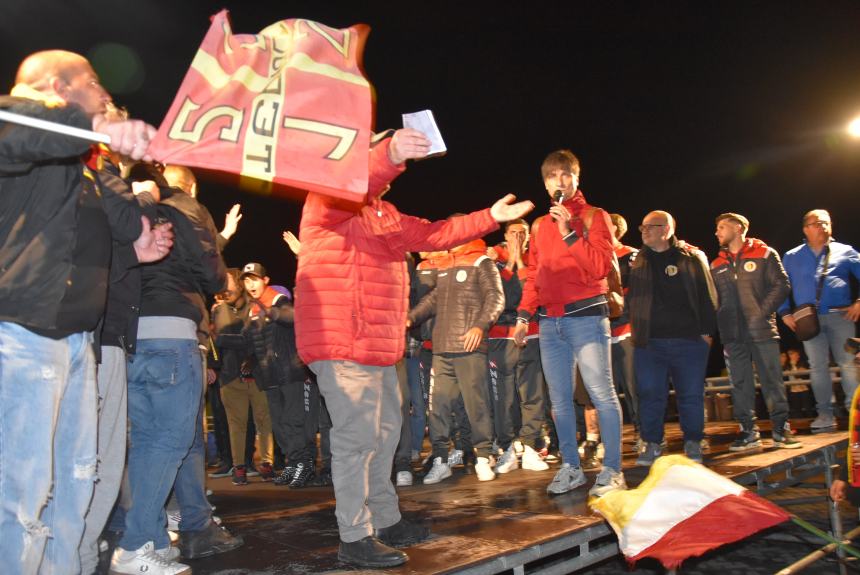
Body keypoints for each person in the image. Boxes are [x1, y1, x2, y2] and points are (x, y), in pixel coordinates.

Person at [295, 128, 534, 568]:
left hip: (379, 344)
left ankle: (384, 519)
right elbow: (358, 180)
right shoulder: (327, 199)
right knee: (356, 439)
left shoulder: (383, 214)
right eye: (376, 158)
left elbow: (437, 234)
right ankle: (354, 534)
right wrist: (389, 152)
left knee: (386, 434)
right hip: (341, 339)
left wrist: (490, 217)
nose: (386, 175)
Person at [1, 50, 171, 574]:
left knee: (75, 485)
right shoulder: (14, 120)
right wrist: (94, 125)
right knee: (22, 491)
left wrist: (131, 254)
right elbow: (24, 130)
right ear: (58, 85)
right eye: (94, 83)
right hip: (23, 333)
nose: (104, 95)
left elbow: (74, 240)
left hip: (79, 338)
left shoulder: (80, 166)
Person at [112, 164, 241, 573]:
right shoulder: (184, 210)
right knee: (170, 443)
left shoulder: (125, 205)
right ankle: (135, 544)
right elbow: (212, 272)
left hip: (130, 337)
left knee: (145, 443)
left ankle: (149, 538)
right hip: (172, 333)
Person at [512, 149, 626, 498]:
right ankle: (571, 467)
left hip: (587, 317)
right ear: (545, 184)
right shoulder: (538, 225)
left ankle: (613, 470)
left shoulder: (595, 216)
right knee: (559, 402)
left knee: (601, 394)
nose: (559, 182)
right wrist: (522, 315)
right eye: (551, 176)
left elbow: (599, 268)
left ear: (577, 178)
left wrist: (568, 232)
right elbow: (535, 274)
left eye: (565, 175)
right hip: (550, 323)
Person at [409, 235, 505, 484]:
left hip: (469, 346)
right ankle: (441, 460)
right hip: (442, 348)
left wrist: (480, 326)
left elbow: (496, 297)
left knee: (477, 406)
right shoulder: (446, 265)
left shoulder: (481, 261)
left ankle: (484, 456)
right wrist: (411, 318)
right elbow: (432, 299)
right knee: (438, 408)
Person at [629, 210, 717, 466]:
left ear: (666, 229)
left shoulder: (691, 257)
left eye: (650, 227)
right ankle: (652, 443)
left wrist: (707, 334)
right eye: (642, 227)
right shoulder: (636, 260)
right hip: (649, 343)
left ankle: (693, 441)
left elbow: (707, 297)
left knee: (690, 394)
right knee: (650, 393)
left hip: (689, 341)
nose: (644, 231)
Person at [710, 213, 800, 450]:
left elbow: (782, 285)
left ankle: (781, 430)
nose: (717, 232)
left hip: (762, 330)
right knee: (740, 383)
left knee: (772, 381)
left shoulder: (765, 253)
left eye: (721, 227)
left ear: (738, 228)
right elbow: (713, 299)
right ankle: (748, 432)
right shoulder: (716, 264)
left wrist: (761, 312)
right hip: (732, 334)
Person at [779, 209, 860, 432]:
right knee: (817, 367)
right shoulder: (792, 256)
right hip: (808, 319)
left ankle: (855, 414)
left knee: (849, 365)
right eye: (818, 223)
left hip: (841, 316)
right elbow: (782, 287)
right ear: (806, 228)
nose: (824, 226)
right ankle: (825, 414)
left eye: (827, 223)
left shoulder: (845, 251)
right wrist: (785, 312)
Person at [487, 219, 550, 474]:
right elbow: (498, 296)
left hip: (530, 335)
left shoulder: (536, 257)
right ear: (504, 234)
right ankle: (509, 447)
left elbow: (532, 291)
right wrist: (511, 262)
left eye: (522, 233)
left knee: (532, 395)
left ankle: (531, 445)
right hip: (500, 337)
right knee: (503, 398)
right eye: (513, 232)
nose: (518, 237)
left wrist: (521, 262)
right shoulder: (492, 257)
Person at [211, 268, 275, 485]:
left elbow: (264, 338)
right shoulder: (220, 310)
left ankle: (267, 463)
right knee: (236, 425)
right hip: (230, 376)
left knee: (264, 421)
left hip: (257, 374)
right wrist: (247, 340)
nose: (225, 288)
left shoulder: (256, 306)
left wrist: (246, 345)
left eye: (229, 283)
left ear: (238, 285)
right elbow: (219, 339)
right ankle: (239, 468)